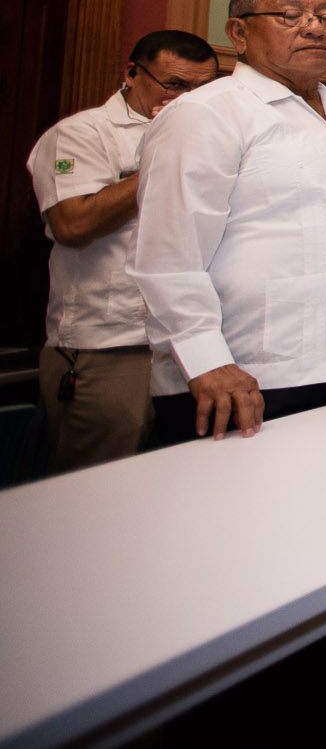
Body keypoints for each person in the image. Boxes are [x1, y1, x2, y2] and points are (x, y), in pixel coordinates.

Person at [131, 0, 326, 443]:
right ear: (238, 34)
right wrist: (207, 360)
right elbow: (168, 253)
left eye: (325, 16)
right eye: (289, 15)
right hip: (247, 377)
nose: (314, 27)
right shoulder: (208, 113)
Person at [29, 29, 216, 472]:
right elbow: (73, 225)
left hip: (191, 346)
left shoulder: (212, 138)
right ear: (131, 73)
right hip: (111, 348)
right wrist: (163, 157)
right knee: (97, 495)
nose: (189, 98)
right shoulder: (80, 134)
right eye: (175, 85)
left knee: (182, 487)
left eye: (202, 89)